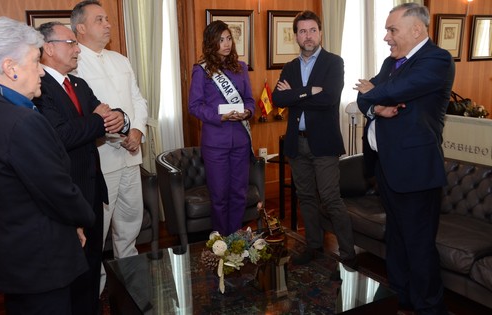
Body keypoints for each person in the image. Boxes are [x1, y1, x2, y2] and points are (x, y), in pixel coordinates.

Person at [0, 17, 95, 314]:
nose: (42, 73)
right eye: (36, 61)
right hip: (39, 262)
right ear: (11, 68)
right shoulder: (22, 122)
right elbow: (57, 190)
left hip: (9, 258)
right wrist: (84, 217)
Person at [355, 3, 454, 314]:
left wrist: (378, 92)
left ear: (417, 30)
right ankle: (404, 301)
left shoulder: (436, 60)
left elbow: (398, 88)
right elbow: (362, 95)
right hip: (387, 169)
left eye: (392, 30)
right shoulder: (391, 62)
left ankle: (429, 308)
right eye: (386, 30)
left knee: (419, 247)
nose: (386, 37)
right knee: (396, 242)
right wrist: (376, 105)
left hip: (416, 172)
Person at [32, 21, 129, 315]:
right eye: (71, 43)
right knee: (73, 275)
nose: (77, 50)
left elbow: (106, 112)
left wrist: (120, 117)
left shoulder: (78, 84)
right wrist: (98, 121)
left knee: (91, 267)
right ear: (49, 48)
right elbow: (61, 135)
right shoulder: (39, 88)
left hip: (92, 189)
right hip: (65, 195)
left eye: (76, 43)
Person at [70, 0, 148, 290]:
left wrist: (137, 130)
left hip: (131, 155)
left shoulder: (120, 59)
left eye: (107, 19)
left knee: (130, 226)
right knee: (97, 232)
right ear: (80, 28)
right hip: (100, 160)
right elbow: (85, 115)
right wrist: (119, 134)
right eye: (99, 19)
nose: (107, 24)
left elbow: (138, 99)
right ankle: (99, 291)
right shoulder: (74, 65)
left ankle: (129, 285)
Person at [271, 11, 356, 268]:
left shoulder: (334, 62)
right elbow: (278, 100)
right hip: (297, 143)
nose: (308, 36)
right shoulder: (289, 67)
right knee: (306, 197)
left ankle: (349, 253)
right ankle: (314, 247)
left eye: (312, 30)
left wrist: (295, 95)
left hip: (324, 142)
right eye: (302, 31)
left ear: (320, 32)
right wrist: (308, 91)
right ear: (296, 35)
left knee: (330, 198)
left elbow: (329, 99)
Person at [188, 20, 255, 236]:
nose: (226, 44)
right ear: (211, 43)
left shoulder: (241, 67)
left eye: (228, 39)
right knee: (219, 196)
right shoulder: (201, 70)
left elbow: (250, 100)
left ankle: (235, 238)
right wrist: (220, 116)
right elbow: (194, 106)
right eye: (220, 40)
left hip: (241, 141)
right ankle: (221, 243)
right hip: (215, 143)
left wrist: (248, 112)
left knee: (239, 193)